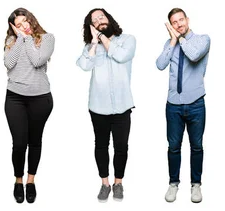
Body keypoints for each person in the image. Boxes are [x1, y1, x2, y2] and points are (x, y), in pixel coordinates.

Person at [76, 8, 136, 202]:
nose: (99, 20)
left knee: (121, 147)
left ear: (109, 19)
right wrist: (94, 42)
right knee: (101, 146)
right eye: (94, 20)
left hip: (122, 105)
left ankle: (118, 183)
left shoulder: (127, 39)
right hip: (98, 107)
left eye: (101, 16)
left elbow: (119, 56)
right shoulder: (90, 46)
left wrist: (102, 37)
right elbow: (84, 65)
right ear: (91, 27)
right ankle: (105, 183)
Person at [155, 8, 210, 203]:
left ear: (187, 19)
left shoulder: (202, 39)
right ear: (171, 25)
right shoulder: (170, 43)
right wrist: (172, 41)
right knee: (173, 147)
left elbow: (193, 55)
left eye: (181, 20)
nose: (179, 25)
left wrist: (179, 39)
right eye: (174, 22)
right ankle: (173, 184)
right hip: (173, 105)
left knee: (196, 147)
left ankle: (196, 185)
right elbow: (160, 64)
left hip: (196, 104)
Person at [4, 7, 54, 204]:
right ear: (13, 28)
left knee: (35, 141)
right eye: (18, 24)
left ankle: (31, 181)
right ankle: (18, 180)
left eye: (25, 21)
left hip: (40, 98)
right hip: (15, 98)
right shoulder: (10, 41)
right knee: (18, 144)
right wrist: (19, 39)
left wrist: (26, 38)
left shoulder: (47, 38)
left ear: (31, 20)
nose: (23, 26)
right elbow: (9, 63)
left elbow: (37, 60)